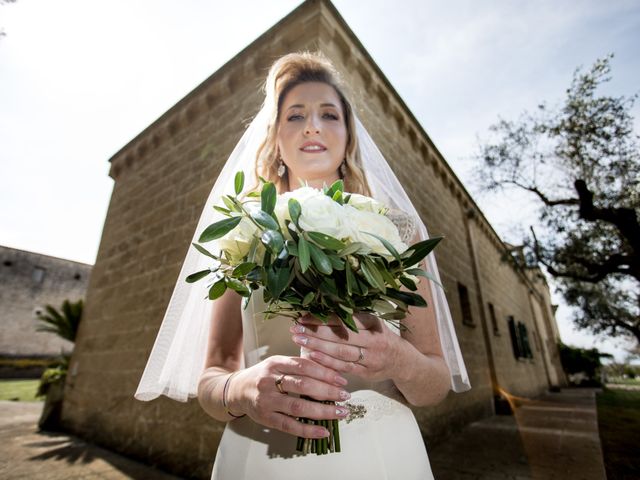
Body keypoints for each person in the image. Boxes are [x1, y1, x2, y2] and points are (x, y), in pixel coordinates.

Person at [135, 51, 470, 480]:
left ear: (349, 137)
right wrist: (240, 390)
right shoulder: (245, 230)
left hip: (380, 458)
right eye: (295, 116)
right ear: (274, 137)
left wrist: (398, 360)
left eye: (329, 114)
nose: (312, 125)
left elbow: (435, 381)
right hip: (261, 455)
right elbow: (214, 373)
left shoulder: (398, 232)